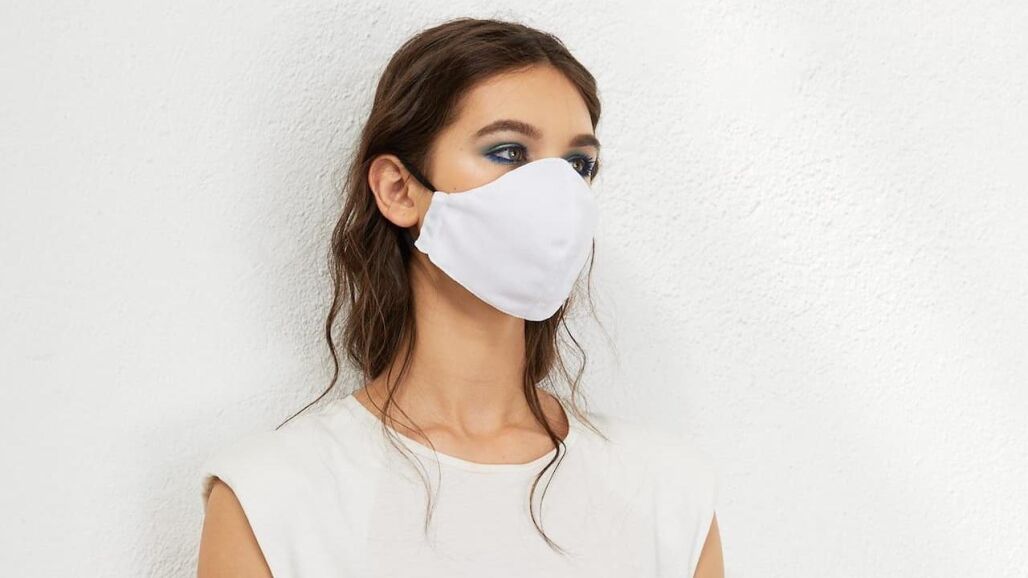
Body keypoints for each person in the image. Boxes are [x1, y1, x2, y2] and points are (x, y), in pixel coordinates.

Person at [196, 16, 723, 578]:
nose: (556, 194)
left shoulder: (669, 493)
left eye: (578, 165)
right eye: (508, 151)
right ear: (399, 190)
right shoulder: (272, 499)